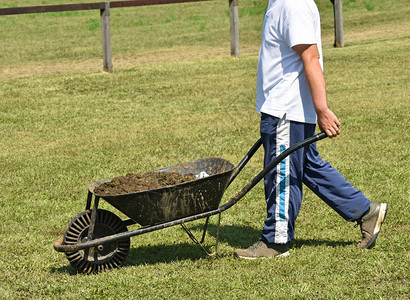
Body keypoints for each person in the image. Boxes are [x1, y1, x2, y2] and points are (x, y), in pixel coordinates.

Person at [234, 0, 388, 259]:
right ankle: (367, 212)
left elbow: (311, 56)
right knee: (308, 167)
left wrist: (322, 109)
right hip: (285, 108)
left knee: (281, 174)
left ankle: (275, 241)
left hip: (286, 110)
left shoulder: (293, 4)